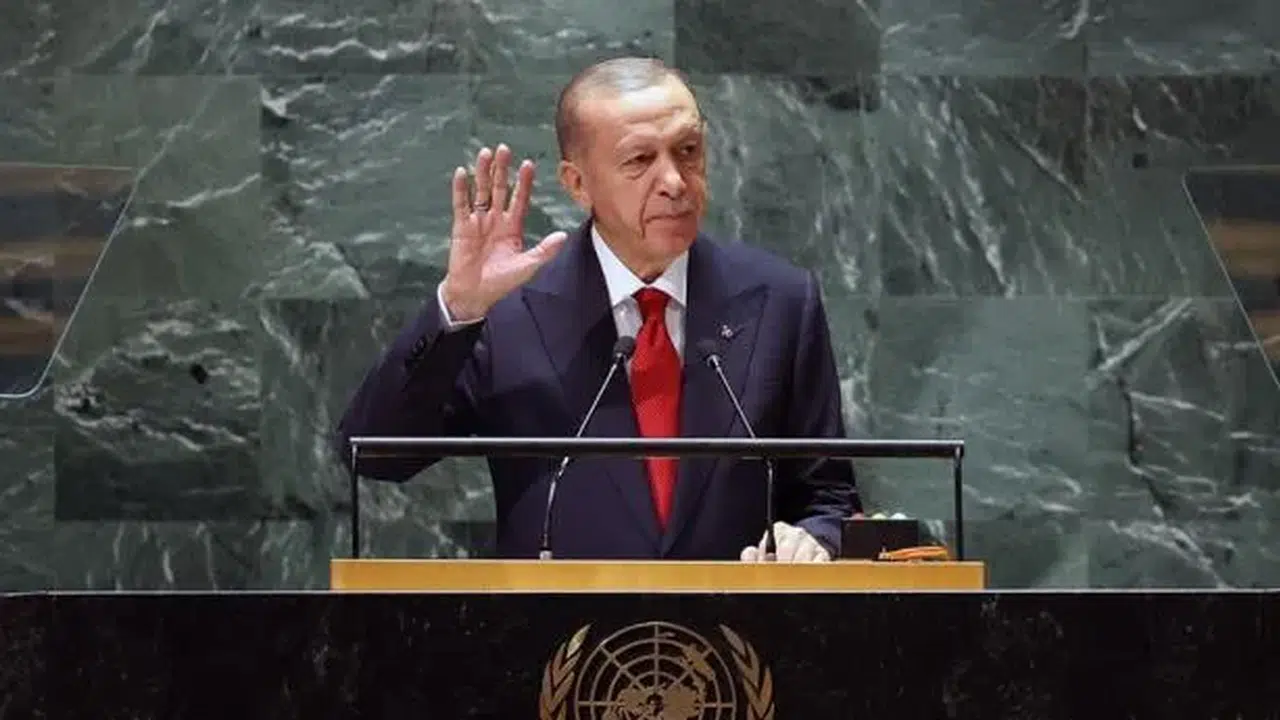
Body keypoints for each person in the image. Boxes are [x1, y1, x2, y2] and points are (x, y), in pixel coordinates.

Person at [334, 57, 862, 562]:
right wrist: (458, 308)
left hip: (735, 623)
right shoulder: (508, 314)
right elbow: (376, 455)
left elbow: (829, 499)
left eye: (688, 150)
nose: (675, 182)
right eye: (639, 160)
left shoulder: (781, 302)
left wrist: (814, 540)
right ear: (578, 184)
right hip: (564, 625)